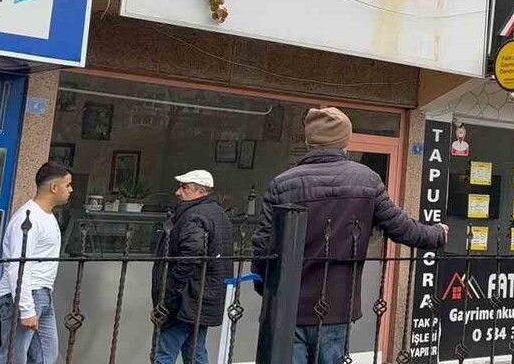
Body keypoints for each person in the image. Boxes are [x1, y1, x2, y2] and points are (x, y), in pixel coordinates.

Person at [254, 107, 449, 364]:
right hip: (336, 305)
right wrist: (436, 234)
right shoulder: (366, 180)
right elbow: (401, 227)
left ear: (309, 140)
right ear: (345, 140)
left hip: (288, 306)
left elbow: (262, 247)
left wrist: (268, 289)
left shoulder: (283, 183)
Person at [0, 162, 73, 364]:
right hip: (26, 294)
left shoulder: (47, 216)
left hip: (43, 293)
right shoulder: (28, 218)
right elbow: (17, 266)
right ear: (54, 188)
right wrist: (26, 309)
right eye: (68, 185)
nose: (70, 190)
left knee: (48, 354)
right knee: (14, 356)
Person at [152, 170, 233, 364]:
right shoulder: (217, 213)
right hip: (202, 297)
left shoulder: (194, 215)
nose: (178, 192)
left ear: (201, 191)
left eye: (184, 187)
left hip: (186, 298)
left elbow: (191, 255)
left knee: (162, 354)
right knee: (195, 352)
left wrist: (170, 291)